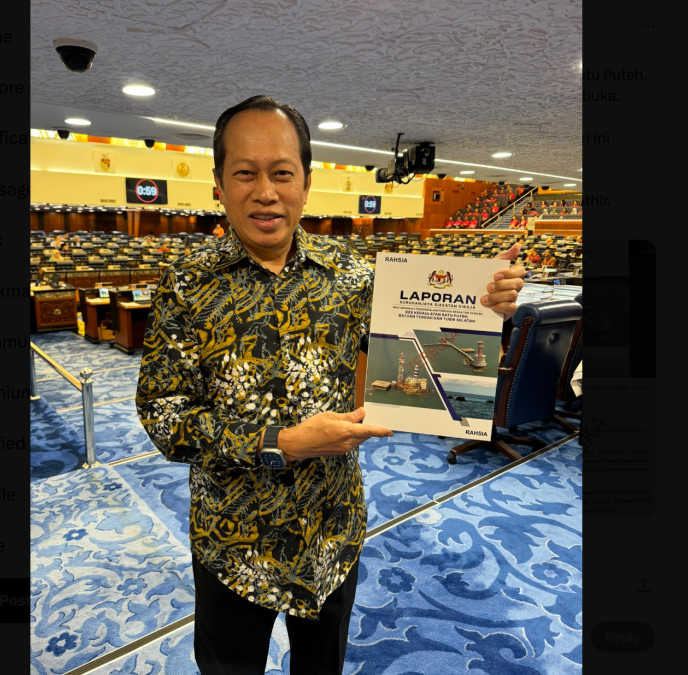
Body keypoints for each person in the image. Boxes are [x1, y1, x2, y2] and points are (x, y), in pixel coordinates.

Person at [136, 95, 525, 675]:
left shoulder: (351, 273)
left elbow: (423, 351)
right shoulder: (186, 285)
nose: (265, 191)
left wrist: (484, 311)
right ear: (218, 183)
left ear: (306, 182)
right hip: (232, 537)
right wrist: (283, 442)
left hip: (331, 527)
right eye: (244, 172)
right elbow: (163, 413)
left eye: (282, 173)